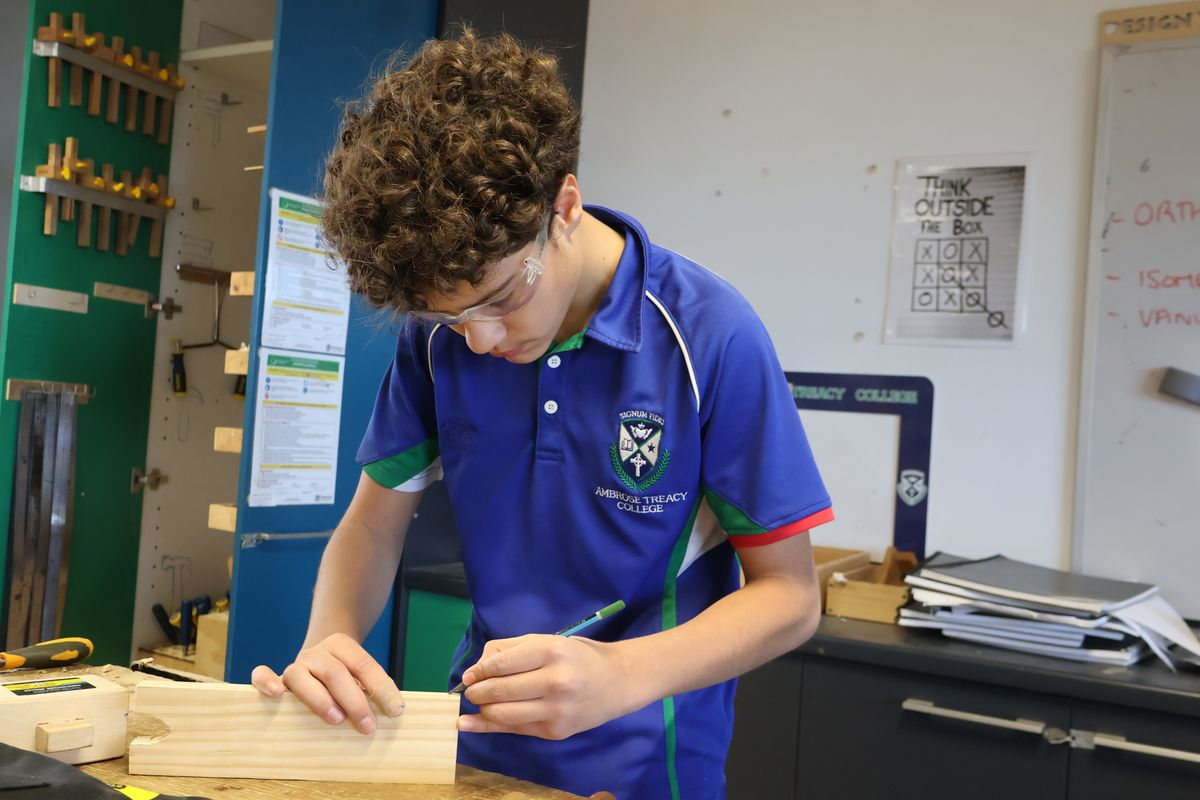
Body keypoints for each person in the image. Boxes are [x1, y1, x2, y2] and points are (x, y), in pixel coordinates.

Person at [250, 29, 832, 800]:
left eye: (502, 299)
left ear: (564, 206)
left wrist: (621, 673)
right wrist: (329, 638)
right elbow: (373, 524)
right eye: (450, 317)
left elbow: (791, 598)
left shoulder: (709, 336)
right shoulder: (441, 340)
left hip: (645, 764)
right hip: (474, 749)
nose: (481, 341)